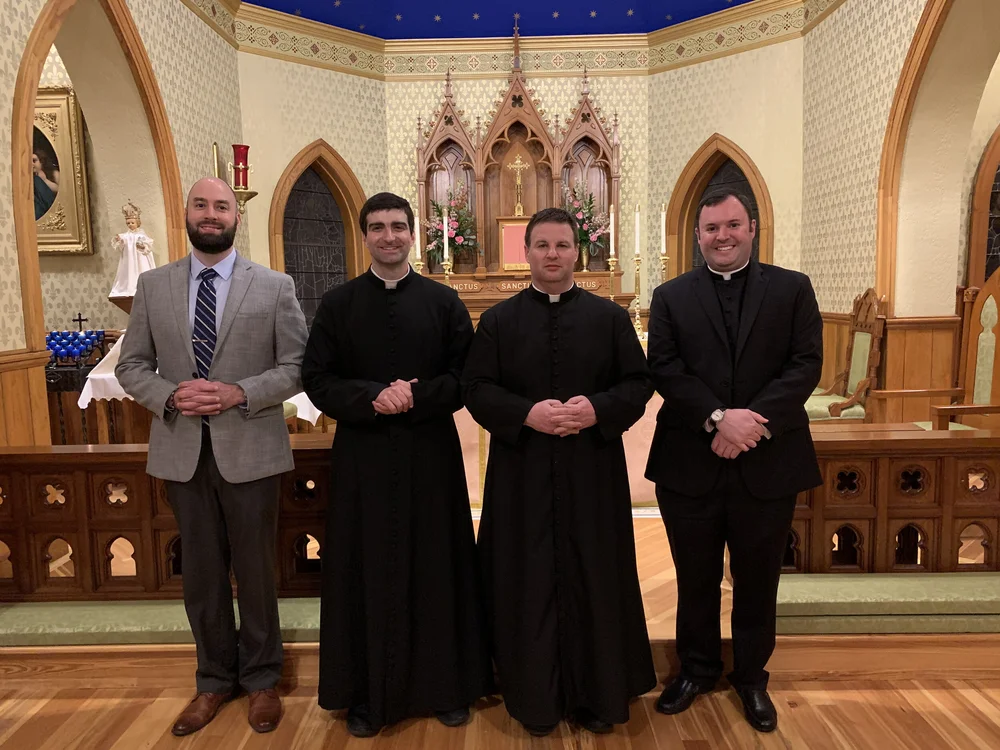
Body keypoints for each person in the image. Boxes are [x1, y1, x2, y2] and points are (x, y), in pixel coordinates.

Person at [116, 176, 307, 737]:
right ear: (188, 212)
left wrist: (238, 392)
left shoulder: (274, 286)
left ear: (235, 217)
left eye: (221, 205)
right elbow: (131, 367)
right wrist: (171, 395)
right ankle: (212, 680)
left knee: (255, 571)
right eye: (201, 205)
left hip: (250, 447)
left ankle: (263, 678)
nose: (211, 214)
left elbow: (297, 366)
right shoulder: (154, 286)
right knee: (200, 574)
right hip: (181, 451)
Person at [302, 192, 492, 738]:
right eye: (378, 227)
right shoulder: (338, 305)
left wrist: (417, 396)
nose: (389, 236)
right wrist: (371, 396)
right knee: (366, 567)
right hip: (363, 457)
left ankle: (446, 687)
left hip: (429, 454)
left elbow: (466, 378)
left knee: (438, 565)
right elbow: (317, 378)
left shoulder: (444, 302)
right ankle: (366, 693)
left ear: (414, 234)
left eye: (398, 227)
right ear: (364, 236)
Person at [462, 207, 655, 737]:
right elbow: (475, 388)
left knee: (595, 572)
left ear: (578, 251)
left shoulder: (610, 319)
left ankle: (599, 694)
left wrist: (596, 409)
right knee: (525, 579)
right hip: (522, 473)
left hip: (591, 472)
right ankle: (534, 698)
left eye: (562, 245)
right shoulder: (499, 321)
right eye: (542, 245)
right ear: (526, 252)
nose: (552, 254)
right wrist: (526, 413)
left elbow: (638, 384)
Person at [644, 187, 823, 733]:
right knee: (694, 574)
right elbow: (665, 368)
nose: (722, 236)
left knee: (758, 576)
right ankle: (696, 670)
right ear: (697, 237)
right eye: (711, 229)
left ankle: (750, 677)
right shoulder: (671, 295)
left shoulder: (793, 289)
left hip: (768, 460)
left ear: (751, 229)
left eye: (732, 226)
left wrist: (749, 423)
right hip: (689, 461)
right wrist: (720, 418)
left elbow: (805, 365)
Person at [110, 199, 156, 298]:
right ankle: (128, 286)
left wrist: (142, 246)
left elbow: (147, 247)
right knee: (129, 274)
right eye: (128, 223)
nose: (130, 225)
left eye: (132, 223)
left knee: (142, 273)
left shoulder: (141, 235)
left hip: (140, 261)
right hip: (129, 261)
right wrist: (119, 240)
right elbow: (121, 245)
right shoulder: (126, 236)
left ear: (137, 222)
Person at [32, 149, 58, 219]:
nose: (32, 164)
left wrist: (45, 180)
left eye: (34, 161)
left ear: (42, 162)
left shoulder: (54, 173)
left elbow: (61, 190)